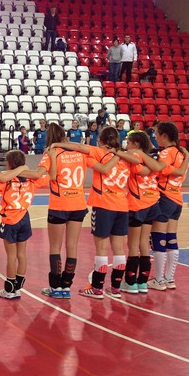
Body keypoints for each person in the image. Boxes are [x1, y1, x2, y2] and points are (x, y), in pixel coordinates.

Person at [50, 127, 141, 299]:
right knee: (119, 249)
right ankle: (115, 288)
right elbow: (138, 163)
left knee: (101, 248)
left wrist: (56, 144)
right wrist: (119, 153)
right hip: (122, 206)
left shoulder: (100, 152)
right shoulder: (127, 157)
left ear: (101, 140)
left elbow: (79, 147)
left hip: (103, 204)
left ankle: (97, 287)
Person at [21, 123, 88, 299]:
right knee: (72, 246)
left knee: (55, 247)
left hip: (60, 204)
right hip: (79, 204)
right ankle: (66, 286)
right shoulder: (80, 153)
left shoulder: (52, 153)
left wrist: (16, 172)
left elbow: (38, 174)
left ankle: (55, 286)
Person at [0, 150, 49, 299]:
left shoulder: (7, 179)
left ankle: (9, 288)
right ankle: (18, 287)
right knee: (22, 254)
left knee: (11, 256)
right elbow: (50, 177)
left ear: (9, 163)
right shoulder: (31, 179)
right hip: (24, 217)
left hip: (10, 219)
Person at [120, 131, 172, 294]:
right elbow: (154, 169)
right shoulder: (152, 159)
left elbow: (143, 171)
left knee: (133, 245)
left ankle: (130, 282)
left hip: (137, 204)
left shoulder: (135, 158)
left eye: (129, 143)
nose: (126, 146)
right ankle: (142, 282)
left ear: (136, 145)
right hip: (152, 203)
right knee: (144, 244)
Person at [147, 122, 189, 291]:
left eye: (157, 135)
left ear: (164, 136)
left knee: (158, 238)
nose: (155, 138)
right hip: (177, 198)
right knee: (171, 238)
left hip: (164, 197)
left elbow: (158, 168)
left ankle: (159, 280)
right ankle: (169, 279)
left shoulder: (166, 153)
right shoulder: (181, 154)